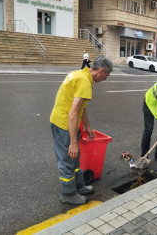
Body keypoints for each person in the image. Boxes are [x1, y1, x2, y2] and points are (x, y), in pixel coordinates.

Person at [50, 56, 113, 205]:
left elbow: (80, 108)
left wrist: (88, 126)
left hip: (66, 121)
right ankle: (68, 194)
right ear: (102, 70)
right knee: (67, 159)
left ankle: (79, 186)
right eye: (106, 75)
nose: (105, 79)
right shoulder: (84, 82)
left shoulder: (82, 74)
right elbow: (73, 113)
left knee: (74, 158)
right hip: (64, 123)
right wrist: (73, 142)